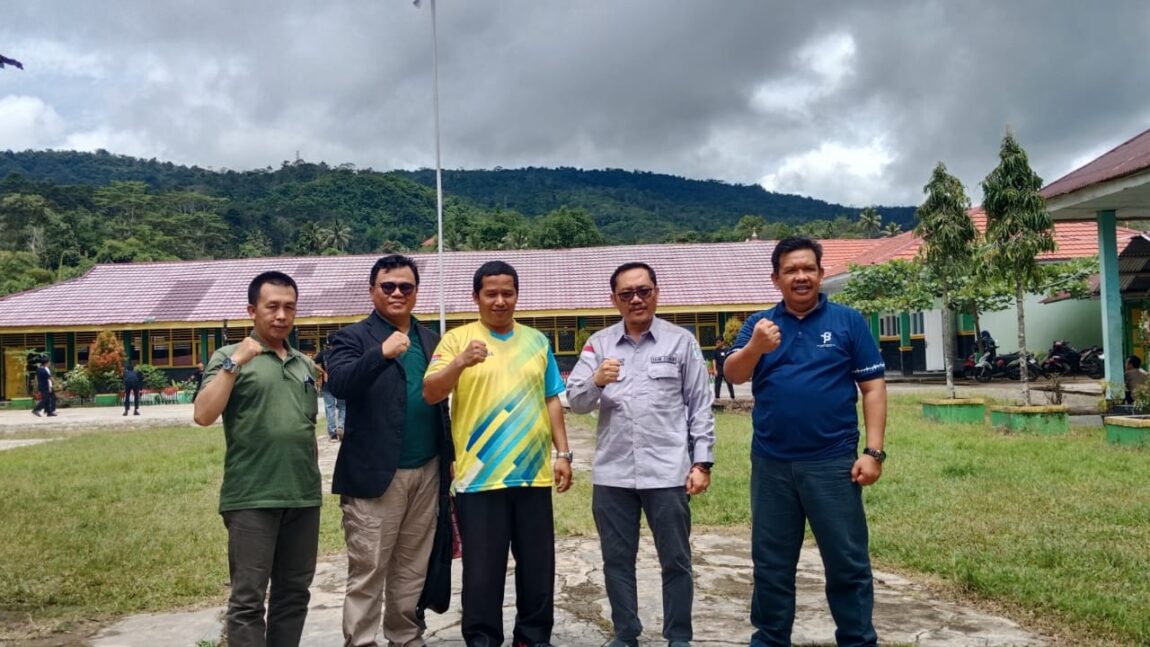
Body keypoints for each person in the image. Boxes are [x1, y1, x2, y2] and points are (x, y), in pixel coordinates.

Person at [724, 236, 886, 647]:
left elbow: (873, 387)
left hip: (833, 463)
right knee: (772, 563)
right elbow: (733, 373)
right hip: (772, 464)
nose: (801, 277)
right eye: (791, 270)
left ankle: (857, 639)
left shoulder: (848, 322)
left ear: (821, 273)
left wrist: (873, 452)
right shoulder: (759, 324)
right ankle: (770, 639)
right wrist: (757, 347)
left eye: (808, 269)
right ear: (775, 278)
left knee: (846, 562)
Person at [423, 260, 573, 647]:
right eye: (491, 293)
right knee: (482, 571)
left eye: (508, 293)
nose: (500, 301)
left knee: (538, 568)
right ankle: (482, 638)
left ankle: (533, 637)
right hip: (479, 477)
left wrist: (564, 453)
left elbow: (552, 398)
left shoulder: (537, 342)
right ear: (476, 297)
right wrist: (459, 363)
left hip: (533, 473)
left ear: (517, 296)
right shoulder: (457, 340)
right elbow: (431, 392)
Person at [566, 262, 715, 647]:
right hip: (613, 474)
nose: (636, 299)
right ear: (614, 299)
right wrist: (597, 379)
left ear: (656, 293)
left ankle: (678, 636)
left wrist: (702, 462)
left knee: (676, 561)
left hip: (667, 472)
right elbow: (576, 402)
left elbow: (700, 404)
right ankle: (626, 632)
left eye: (644, 291)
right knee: (617, 560)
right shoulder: (598, 345)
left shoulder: (680, 341)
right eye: (627, 293)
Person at [325, 254, 455, 647]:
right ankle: (361, 641)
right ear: (372, 291)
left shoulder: (431, 340)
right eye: (388, 286)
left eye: (406, 287)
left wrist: (448, 457)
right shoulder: (351, 337)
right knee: (369, 567)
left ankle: (405, 636)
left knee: (413, 564)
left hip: (428, 468)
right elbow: (341, 384)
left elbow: (441, 401)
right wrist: (380, 353)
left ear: (416, 292)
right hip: (374, 474)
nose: (397, 293)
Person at [193, 271, 322, 647]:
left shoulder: (303, 364)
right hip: (252, 496)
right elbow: (203, 415)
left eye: (289, 308)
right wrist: (236, 363)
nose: (281, 316)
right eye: (272, 307)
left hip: (302, 497)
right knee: (249, 600)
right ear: (252, 311)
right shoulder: (228, 358)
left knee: (294, 594)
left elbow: (305, 427)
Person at [312, 348, 346, 441]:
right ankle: (341, 427)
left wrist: (323, 372)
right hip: (341, 382)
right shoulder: (342, 351)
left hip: (327, 384)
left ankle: (333, 434)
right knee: (343, 407)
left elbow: (311, 363)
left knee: (329, 408)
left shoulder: (323, 353)